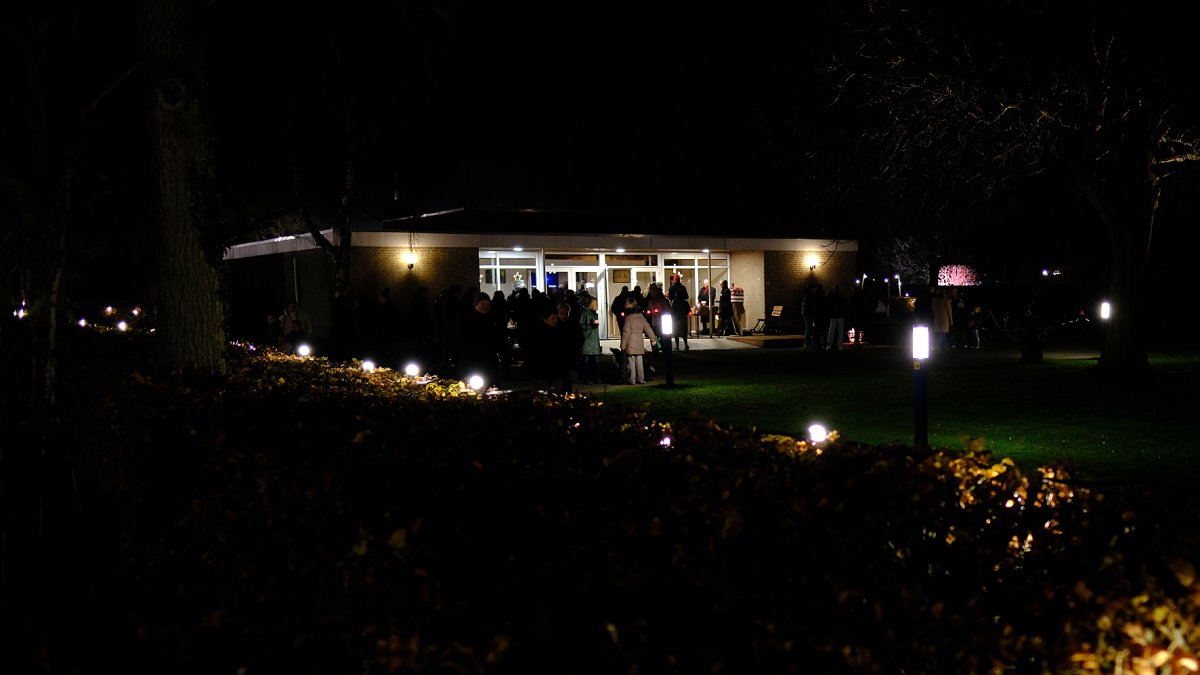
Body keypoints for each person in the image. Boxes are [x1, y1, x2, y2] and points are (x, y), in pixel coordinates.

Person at [619, 296, 657, 385]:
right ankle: (641, 378)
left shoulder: (628, 318)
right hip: (639, 341)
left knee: (631, 361)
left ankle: (632, 379)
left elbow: (626, 332)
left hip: (630, 342)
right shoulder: (641, 317)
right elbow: (648, 328)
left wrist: (623, 345)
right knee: (639, 360)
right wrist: (653, 339)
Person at [578, 295, 603, 384]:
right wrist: (589, 326)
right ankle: (586, 378)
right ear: (589, 304)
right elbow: (580, 326)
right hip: (587, 341)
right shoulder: (584, 313)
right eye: (595, 303)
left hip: (594, 341)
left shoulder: (595, 314)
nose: (597, 305)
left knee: (596, 362)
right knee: (586, 361)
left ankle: (596, 377)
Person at [669, 275, 691, 351]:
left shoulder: (674, 301)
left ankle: (677, 346)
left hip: (676, 318)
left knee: (676, 332)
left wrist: (672, 314)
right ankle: (686, 345)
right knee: (684, 332)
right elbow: (688, 308)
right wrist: (685, 313)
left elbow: (670, 300)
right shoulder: (683, 288)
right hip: (683, 317)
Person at [824, 284, 848, 350]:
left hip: (833, 316)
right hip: (840, 316)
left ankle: (829, 345)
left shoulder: (831, 296)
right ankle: (839, 345)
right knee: (840, 331)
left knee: (831, 331)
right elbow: (846, 305)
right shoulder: (842, 296)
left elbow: (827, 306)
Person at [801, 283, 823, 349]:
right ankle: (807, 344)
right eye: (815, 288)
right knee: (809, 328)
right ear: (812, 288)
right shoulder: (810, 295)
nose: (816, 290)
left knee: (809, 328)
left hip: (807, 313)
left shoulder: (806, 294)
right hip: (809, 313)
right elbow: (811, 305)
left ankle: (807, 344)